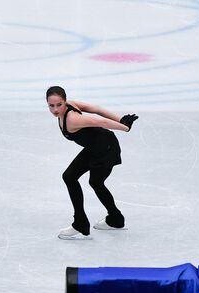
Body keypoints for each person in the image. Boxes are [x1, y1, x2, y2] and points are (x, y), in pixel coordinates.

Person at [46, 86, 138, 239]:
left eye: (59, 104)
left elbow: (100, 120)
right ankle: (107, 219)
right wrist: (121, 119)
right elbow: (94, 108)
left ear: (65, 101)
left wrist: (124, 127)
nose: (55, 109)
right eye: (51, 105)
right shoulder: (70, 106)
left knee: (95, 182)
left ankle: (109, 219)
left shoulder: (72, 118)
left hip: (106, 149)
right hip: (94, 148)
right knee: (69, 176)